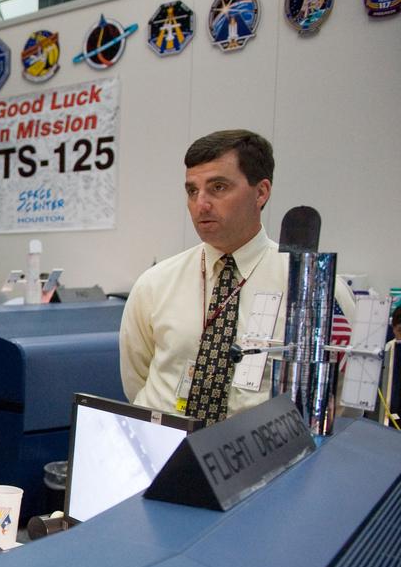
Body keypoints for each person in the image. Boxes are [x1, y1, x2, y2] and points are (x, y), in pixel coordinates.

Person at [119, 129, 355, 424]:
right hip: (164, 450)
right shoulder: (155, 283)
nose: (201, 204)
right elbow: (136, 380)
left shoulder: (315, 288)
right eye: (192, 190)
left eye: (218, 187)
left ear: (261, 192)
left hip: (261, 458)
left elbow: (342, 398)